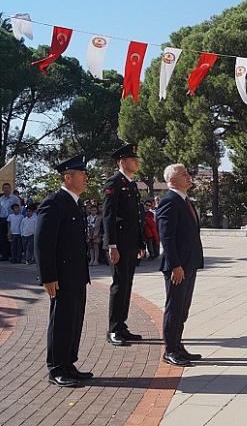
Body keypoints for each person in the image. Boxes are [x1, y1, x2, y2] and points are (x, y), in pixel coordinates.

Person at [36, 154, 93, 387]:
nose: (86, 178)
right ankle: (56, 368)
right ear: (68, 177)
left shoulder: (76, 203)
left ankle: (69, 363)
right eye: (82, 174)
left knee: (74, 319)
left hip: (78, 274)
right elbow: (43, 243)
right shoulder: (54, 202)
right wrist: (47, 276)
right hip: (61, 276)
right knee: (60, 320)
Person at [157, 163, 204, 367]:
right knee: (174, 308)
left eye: (187, 173)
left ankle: (178, 345)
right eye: (183, 174)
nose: (188, 177)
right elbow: (166, 237)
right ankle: (170, 350)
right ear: (171, 180)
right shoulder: (169, 201)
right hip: (178, 267)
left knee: (183, 309)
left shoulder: (185, 201)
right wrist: (175, 265)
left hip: (189, 264)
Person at [102, 143, 145, 346]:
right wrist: (111, 245)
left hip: (130, 244)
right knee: (119, 285)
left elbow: (137, 218)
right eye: (133, 159)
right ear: (122, 161)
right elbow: (109, 217)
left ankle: (122, 325)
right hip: (118, 245)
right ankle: (113, 329)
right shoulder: (114, 183)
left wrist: (140, 244)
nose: (136, 162)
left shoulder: (132, 184)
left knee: (127, 285)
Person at [0, 183, 21, 261]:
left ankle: (12, 255)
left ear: (10, 189)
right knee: (1, 238)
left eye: (7, 188)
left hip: (11, 219)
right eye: (4, 188)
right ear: (2, 189)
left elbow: (18, 209)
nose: (6, 189)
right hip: (2, 218)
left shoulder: (15, 198)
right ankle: (4, 255)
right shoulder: (1, 198)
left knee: (10, 237)